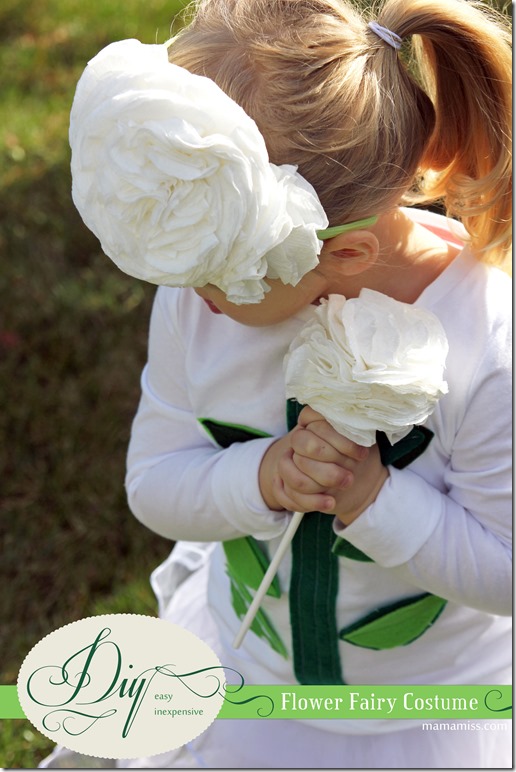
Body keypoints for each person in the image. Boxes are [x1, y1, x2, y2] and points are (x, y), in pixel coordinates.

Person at [50, 0, 512, 768]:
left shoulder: (490, 349)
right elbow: (154, 481)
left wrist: (373, 501)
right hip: (251, 669)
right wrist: (260, 477)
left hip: (432, 705)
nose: (189, 290)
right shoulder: (199, 298)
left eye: (215, 271)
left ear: (351, 255)